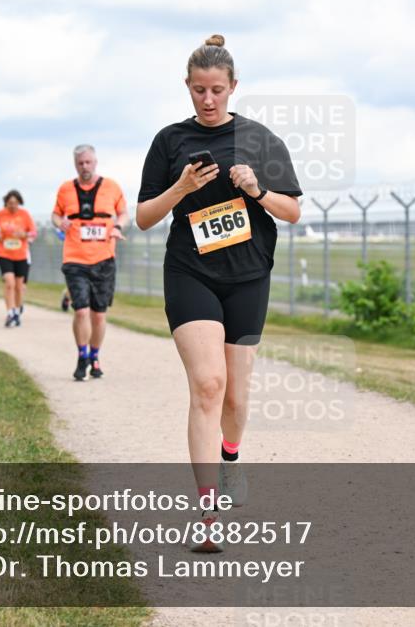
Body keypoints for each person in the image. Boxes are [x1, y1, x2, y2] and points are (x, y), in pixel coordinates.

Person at [136, 34, 302, 551]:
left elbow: (293, 210)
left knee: (236, 393)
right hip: (191, 273)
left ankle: (231, 456)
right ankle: (206, 514)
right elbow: (142, 218)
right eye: (198, 90)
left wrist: (257, 189)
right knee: (208, 385)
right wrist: (180, 188)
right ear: (187, 88)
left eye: (216, 90)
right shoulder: (169, 141)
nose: (207, 100)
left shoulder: (261, 139)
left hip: (248, 275)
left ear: (233, 88)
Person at [51, 145, 129, 381]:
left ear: (95, 162)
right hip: (75, 258)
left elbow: (124, 213)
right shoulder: (65, 189)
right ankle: (82, 355)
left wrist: (117, 227)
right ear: (75, 164)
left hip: (104, 258)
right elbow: (55, 214)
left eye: (88, 162)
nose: (84, 167)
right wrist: (59, 223)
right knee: (81, 311)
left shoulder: (112, 187)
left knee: (98, 315)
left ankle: (95, 356)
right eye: (80, 163)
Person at [0, 190, 37, 327]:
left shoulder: (25, 215)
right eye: (10, 203)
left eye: (16, 203)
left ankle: (17, 310)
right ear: (6, 203)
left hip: (21, 254)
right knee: (9, 283)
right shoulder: (0, 214)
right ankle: (10, 312)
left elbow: (33, 232)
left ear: (19, 203)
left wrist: (25, 235)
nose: (13, 206)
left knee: (19, 286)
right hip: (4, 253)